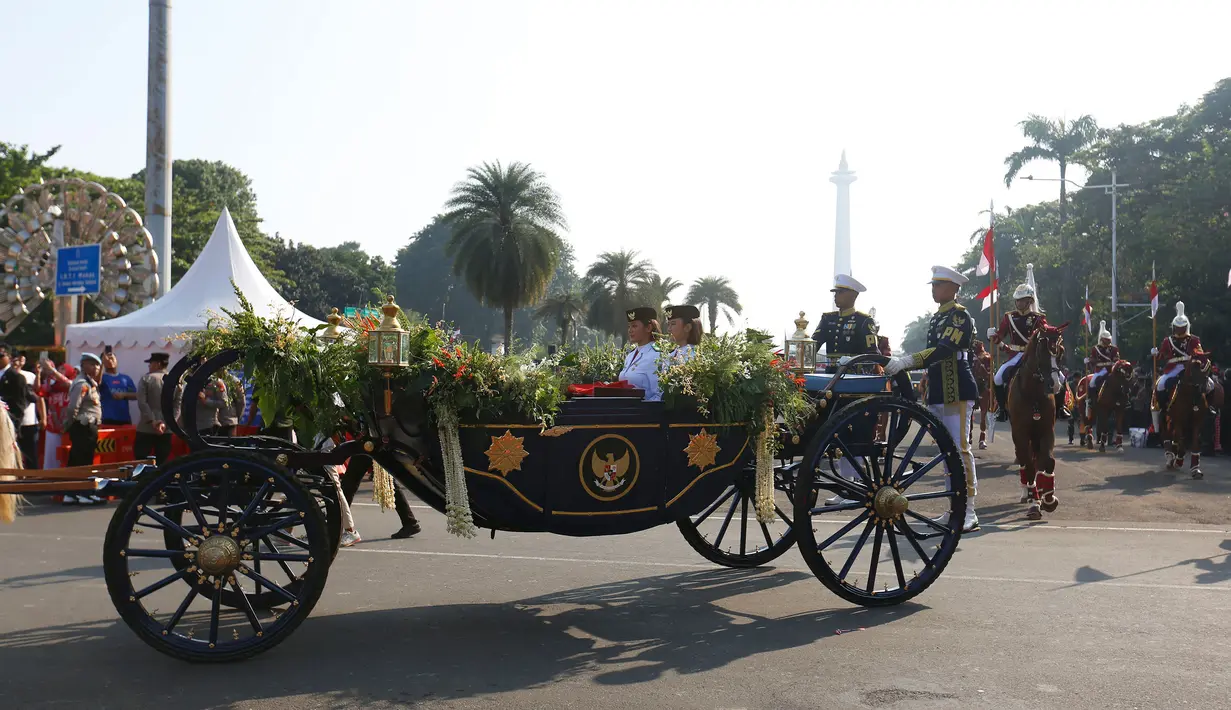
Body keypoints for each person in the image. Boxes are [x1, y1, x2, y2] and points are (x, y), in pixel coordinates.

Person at [884, 265, 979, 532]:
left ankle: (968, 510)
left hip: (957, 387)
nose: (934, 289)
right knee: (947, 453)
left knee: (960, 449)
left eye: (938, 285)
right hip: (939, 388)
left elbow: (943, 350)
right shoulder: (938, 317)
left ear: (953, 288)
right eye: (934, 285)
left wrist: (907, 361)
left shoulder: (960, 316)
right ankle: (955, 508)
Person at [988, 266, 1057, 422]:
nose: (1019, 303)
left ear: (1029, 301)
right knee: (998, 379)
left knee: (1058, 377)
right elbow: (1000, 335)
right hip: (1015, 355)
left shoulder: (1038, 318)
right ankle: (1002, 410)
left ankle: (1060, 408)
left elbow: (1046, 330)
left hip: (1033, 354)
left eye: (1022, 300)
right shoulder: (1009, 317)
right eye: (1017, 300)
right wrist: (993, 336)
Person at [1151, 301, 1213, 434]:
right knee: (1160, 385)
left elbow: (1200, 354)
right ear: (1173, 327)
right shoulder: (1168, 341)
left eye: (1182, 327)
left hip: (1190, 367)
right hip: (1173, 368)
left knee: (1210, 385)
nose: (1180, 330)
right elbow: (1163, 355)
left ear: (1186, 326)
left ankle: (1209, 407)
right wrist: (1156, 353)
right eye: (1177, 327)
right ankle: (1162, 408)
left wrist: (1202, 361)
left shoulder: (1194, 339)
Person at [811, 274, 880, 373]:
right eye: (835, 293)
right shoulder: (827, 319)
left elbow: (872, 354)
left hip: (853, 375)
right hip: (830, 372)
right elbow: (813, 345)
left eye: (840, 292)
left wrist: (862, 371)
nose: (835, 296)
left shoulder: (863, 321)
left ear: (853, 295)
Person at [66, 353, 103, 468]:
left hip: (89, 428)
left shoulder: (91, 382)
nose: (96, 368)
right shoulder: (82, 384)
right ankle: (76, 484)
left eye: (97, 365)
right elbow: (73, 407)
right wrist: (72, 424)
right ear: (83, 365)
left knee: (85, 458)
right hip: (83, 427)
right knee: (80, 460)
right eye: (92, 364)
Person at [134, 353, 172, 465]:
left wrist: (153, 421)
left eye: (150, 364)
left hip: (146, 427)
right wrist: (166, 423)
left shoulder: (147, 379)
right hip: (166, 429)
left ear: (157, 364)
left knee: (141, 461)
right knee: (162, 462)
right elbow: (177, 405)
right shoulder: (175, 381)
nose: (149, 366)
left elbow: (142, 402)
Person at [620, 307, 661, 401]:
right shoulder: (630, 355)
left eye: (634, 326)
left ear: (648, 328)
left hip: (643, 412)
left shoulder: (656, 356)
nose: (630, 330)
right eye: (629, 326)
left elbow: (658, 395)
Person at [1084, 322, 1119, 418]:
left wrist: (1115, 361)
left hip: (1111, 370)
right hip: (1100, 370)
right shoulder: (1096, 349)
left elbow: (1116, 358)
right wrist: (1089, 360)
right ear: (1102, 339)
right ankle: (1091, 400)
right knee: (1092, 383)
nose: (1108, 341)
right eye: (1106, 340)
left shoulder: (1114, 349)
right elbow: (1093, 359)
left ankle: (1123, 400)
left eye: (1109, 339)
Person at [11, 353, 39, 468]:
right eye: (14, 359)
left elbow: (38, 395)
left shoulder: (30, 376)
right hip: (12, 421)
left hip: (29, 421)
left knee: (31, 453)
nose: (16, 362)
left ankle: (34, 480)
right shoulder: (5, 376)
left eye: (19, 359)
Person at [98, 347, 137, 427]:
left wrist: (124, 395)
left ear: (116, 359)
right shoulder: (102, 378)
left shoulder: (126, 378)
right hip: (107, 419)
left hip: (124, 419)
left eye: (112, 357)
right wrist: (101, 364)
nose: (109, 360)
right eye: (106, 359)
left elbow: (136, 395)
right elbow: (96, 383)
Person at [0, 344, 30, 431]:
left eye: (1, 355)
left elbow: (19, 406)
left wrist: (14, 429)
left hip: (6, 425)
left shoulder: (17, 377)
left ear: (9, 357)